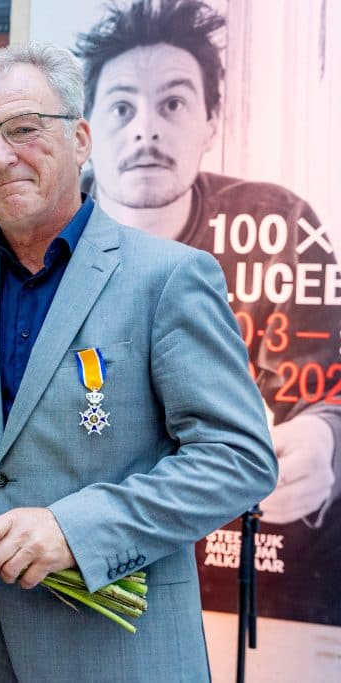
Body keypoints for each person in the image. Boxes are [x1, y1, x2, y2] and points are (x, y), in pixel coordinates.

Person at [0, 43, 277, 682]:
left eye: (24, 129)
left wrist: (74, 531)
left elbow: (238, 457)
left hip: (114, 653)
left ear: (80, 138)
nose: (1, 156)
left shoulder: (168, 278)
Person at [76, 0, 341, 623]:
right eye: (121, 107)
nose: (146, 131)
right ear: (86, 128)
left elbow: (330, 378)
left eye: (173, 103)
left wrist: (326, 438)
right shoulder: (42, 242)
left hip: (258, 598)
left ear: (211, 119)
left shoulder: (281, 227)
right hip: (83, 580)